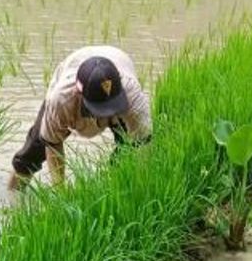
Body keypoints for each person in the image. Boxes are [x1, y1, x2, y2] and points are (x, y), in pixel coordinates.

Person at [9, 45, 152, 189]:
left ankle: (115, 189)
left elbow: (143, 145)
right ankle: (12, 196)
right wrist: (61, 194)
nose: (106, 114)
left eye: (110, 107)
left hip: (118, 62)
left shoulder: (132, 96)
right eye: (100, 109)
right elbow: (53, 145)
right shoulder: (61, 99)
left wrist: (139, 186)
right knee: (33, 150)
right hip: (72, 73)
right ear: (79, 94)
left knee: (126, 155)